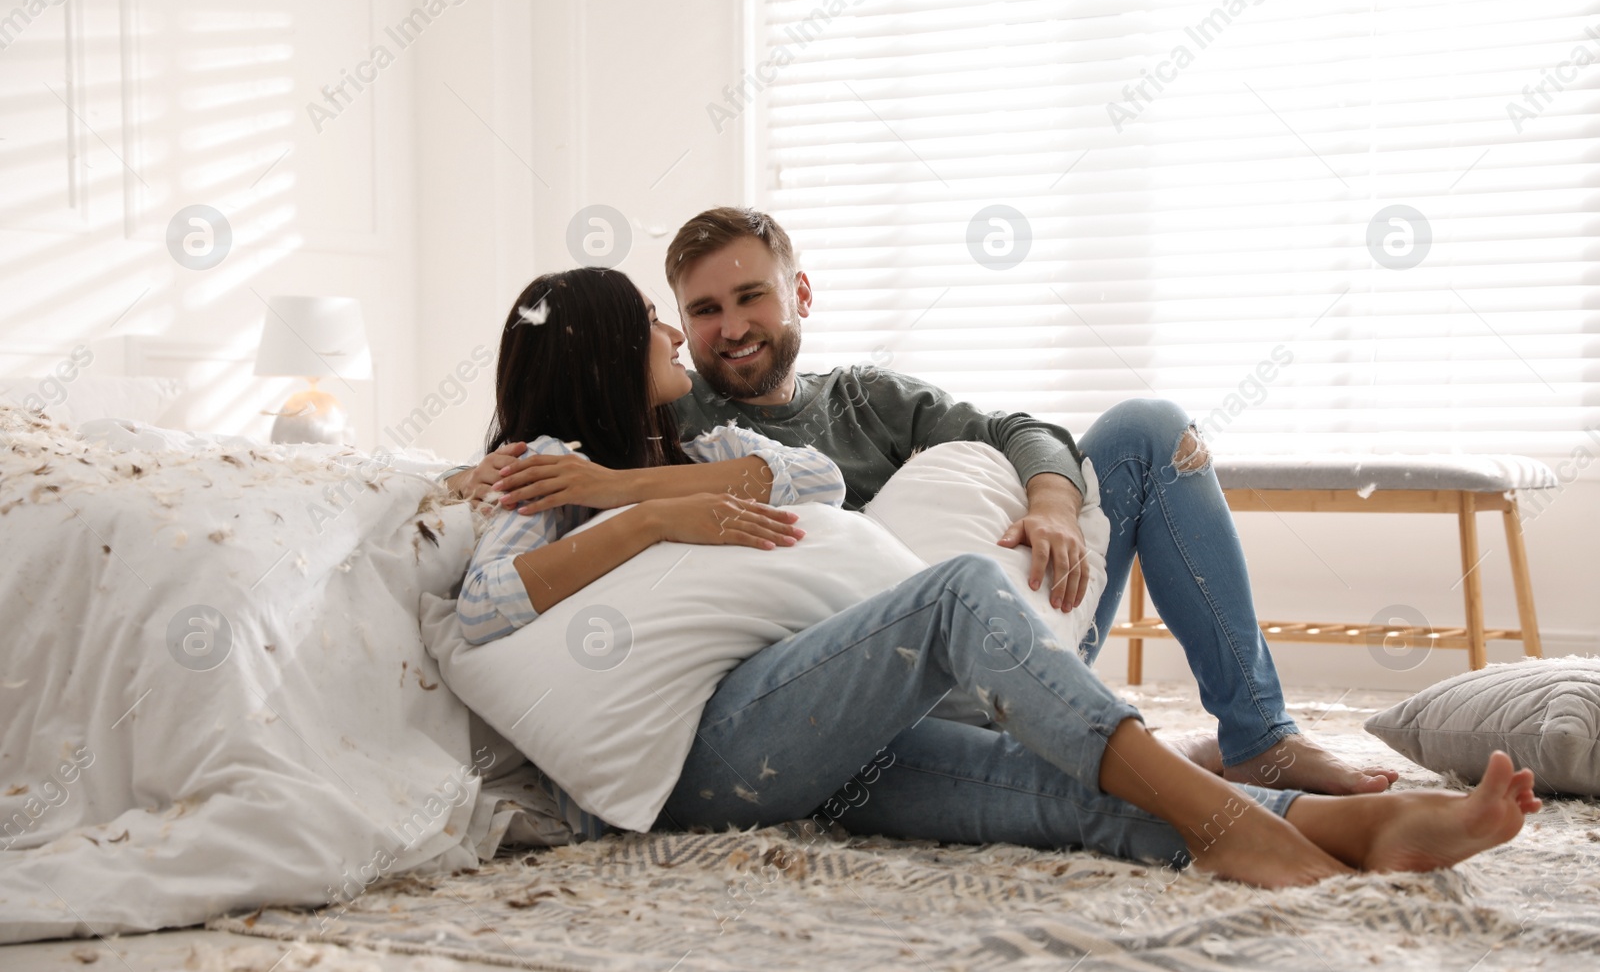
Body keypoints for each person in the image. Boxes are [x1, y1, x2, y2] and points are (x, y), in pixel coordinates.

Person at [450, 265, 1539, 889]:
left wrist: (645, 489)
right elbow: (490, 604)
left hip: (817, 735)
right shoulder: (541, 477)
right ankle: (1228, 817)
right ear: (604, 347)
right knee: (959, 591)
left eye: (735, 297)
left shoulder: (689, 454)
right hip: (701, 757)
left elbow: (813, 480)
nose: (679, 330)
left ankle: (1348, 828)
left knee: (1048, 793)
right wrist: (636, 518)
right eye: (659, 314)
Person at [479, 208, 1393, 796]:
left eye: (749, 296)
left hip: (1014, 616)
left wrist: (1053, 504)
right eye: (699, 309)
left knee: (1149, 426)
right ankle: (1133, 754)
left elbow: (1016, 426)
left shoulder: (864, 398)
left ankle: (1258, 734)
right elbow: (556, 433)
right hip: (868, 685)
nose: (724, 330)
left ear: (798, 293)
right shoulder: (676, 410)